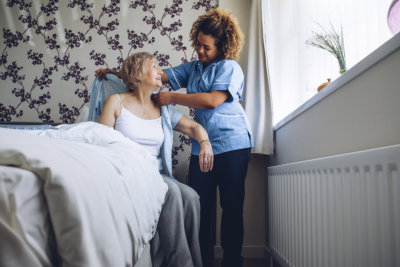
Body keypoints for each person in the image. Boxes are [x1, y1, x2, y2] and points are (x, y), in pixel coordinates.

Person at [96, 8, 254, 267]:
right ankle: (200, 261)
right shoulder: (193, 68)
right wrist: (115, 72)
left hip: (232, 144)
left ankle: (232, 262)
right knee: (199, 207)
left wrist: (172, 98)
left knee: (232, 208)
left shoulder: (229, 67)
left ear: (222, 47)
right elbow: (151, 75)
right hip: (200, 148)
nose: (200, 51)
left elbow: (213, 100)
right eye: (198, 45)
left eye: (207, 47)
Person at [97, 52, 214, 267]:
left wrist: (205, 142)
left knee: (192, 197)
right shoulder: (116, 102)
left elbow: (194, 127)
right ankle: (181, 263)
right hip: (128, 173)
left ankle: (196, 262)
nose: (161, 72)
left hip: (155, 174)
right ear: (137, 73)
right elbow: (100, 143)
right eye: (154, 66)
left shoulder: (163, 108)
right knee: (172, 191)